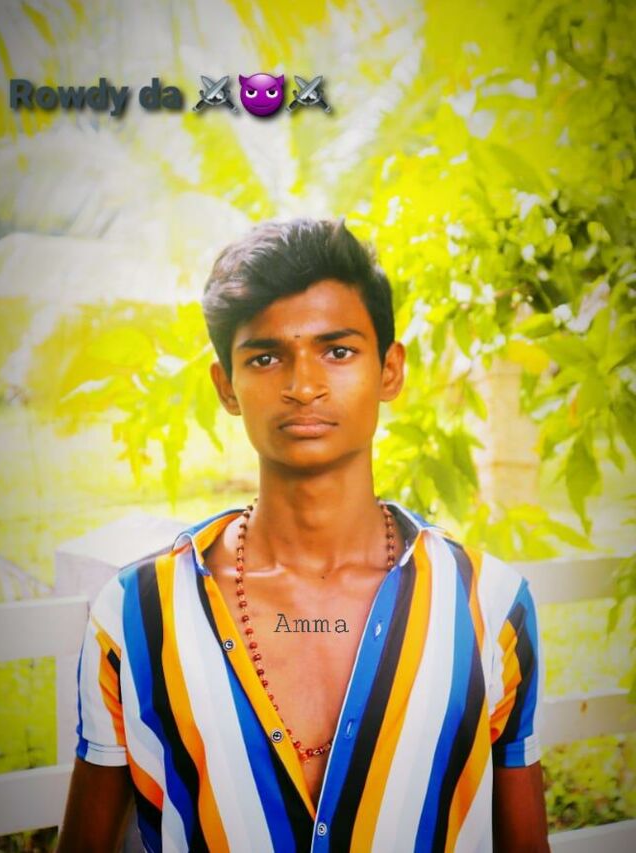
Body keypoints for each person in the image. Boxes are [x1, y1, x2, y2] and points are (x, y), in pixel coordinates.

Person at [57, 218, 549, 852]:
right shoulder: (135, 614)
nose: (303, 386)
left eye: (337, 351)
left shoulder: (490, 606)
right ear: (226, 387)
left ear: (390, 370)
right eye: (265, 358)